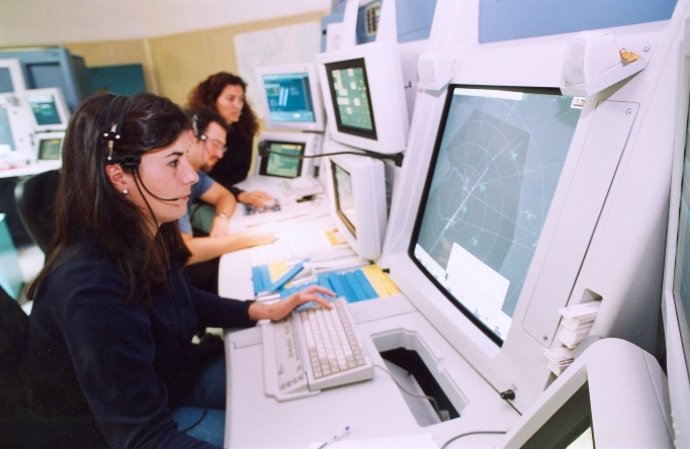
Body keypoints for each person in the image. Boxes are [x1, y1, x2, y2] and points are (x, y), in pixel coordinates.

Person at [25, 92, 333, 449]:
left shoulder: (146, 229)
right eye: (173, 163)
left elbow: (181, 296)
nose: (191, 176)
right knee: (281, 436)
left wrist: (258, 310)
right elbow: (143, 438)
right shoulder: (91, 289)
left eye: (186, 158)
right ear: (118, 176)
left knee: (297, 397)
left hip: (174, 382)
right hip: (138, 430)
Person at [182, 107, 275, 293]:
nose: (220, 154)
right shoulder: (175, 179)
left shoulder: (194, 174)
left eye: (222, 147)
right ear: (193, 137)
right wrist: (248, 239)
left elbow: (225, 196)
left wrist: (221, 218)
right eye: (215, 145)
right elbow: (184, 252)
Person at [186, 72, 274, 208]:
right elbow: (200, 183)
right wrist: (239, 195)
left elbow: (241, 174)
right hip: (201, 199)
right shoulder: (196, 131)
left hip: (230, 191)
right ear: (212, 100)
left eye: (241, 99)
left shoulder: (244, 130)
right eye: (230, 99)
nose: (237, 105)